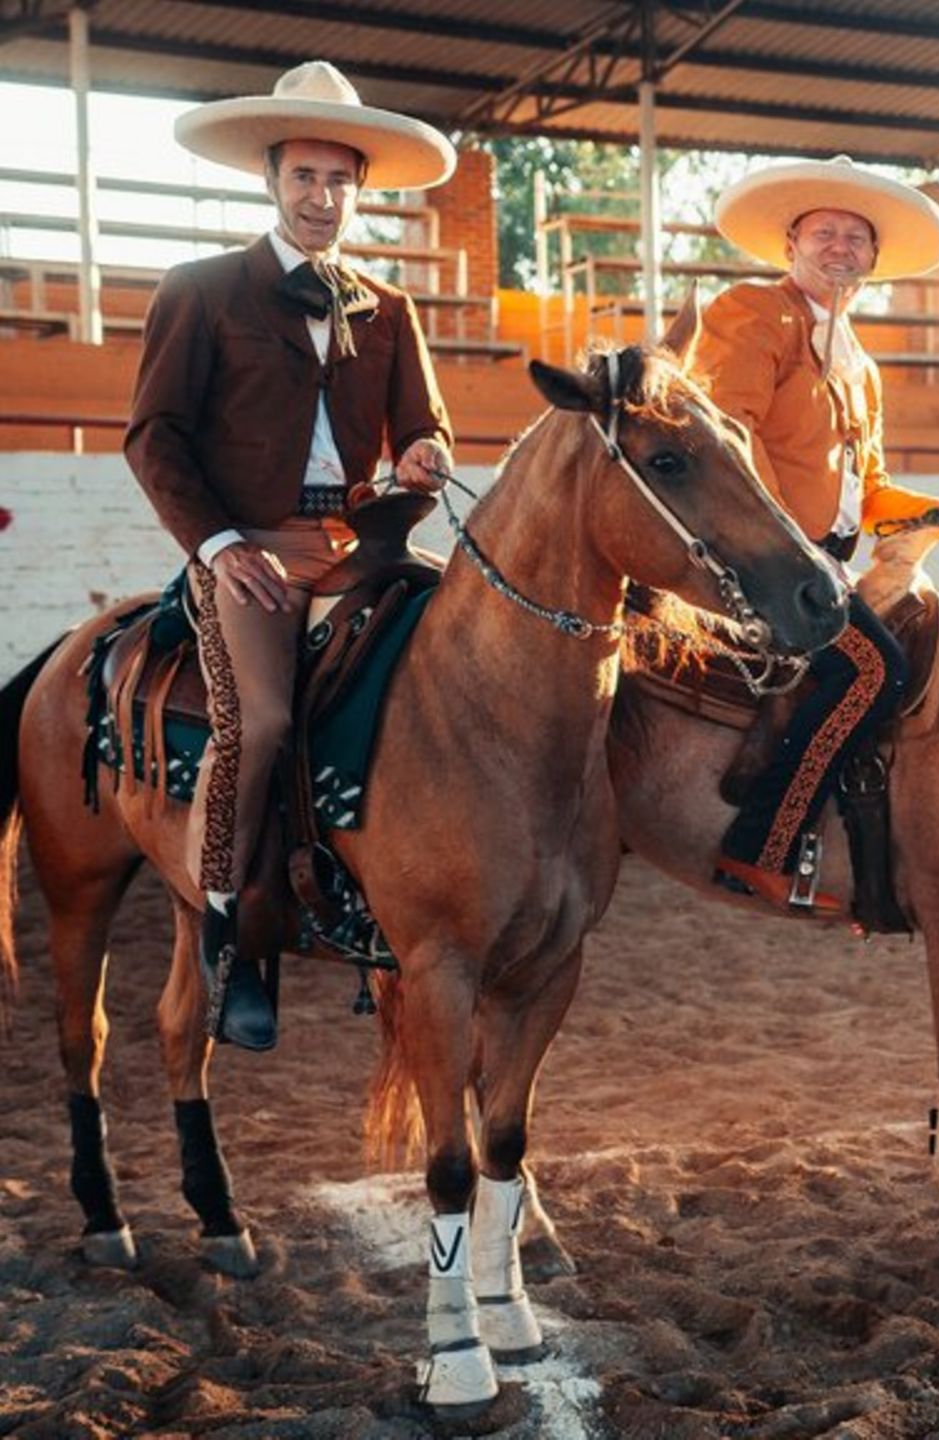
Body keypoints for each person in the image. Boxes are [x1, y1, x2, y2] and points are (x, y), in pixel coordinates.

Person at [125, 61, 456, 1050]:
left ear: (360, 189)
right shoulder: (200, 290)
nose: (322, 198)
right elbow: (154, 437)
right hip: (248, 549)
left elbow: (424, 426)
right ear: (271, 179)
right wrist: (219, 546)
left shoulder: (389, 307)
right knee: (262, 721)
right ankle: (227, 930)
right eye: (305, 177)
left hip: (361, 546)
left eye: (339, 180)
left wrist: (425, 452)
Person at [696, 156, 939, 914]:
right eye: (824, 232)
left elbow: (869, 492)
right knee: (871, 669)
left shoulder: (861, 365)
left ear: (873, 258)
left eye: (856, 237)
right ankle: (761, 849)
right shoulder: (753, 312)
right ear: (790, 243)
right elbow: (727, 434)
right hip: (755, 553)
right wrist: (785, 542)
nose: (840, 247)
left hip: (816, 562)